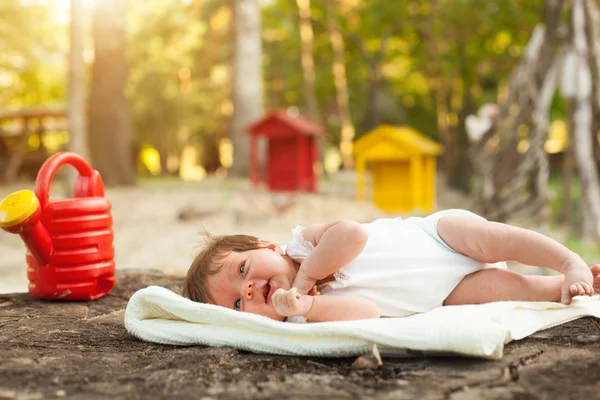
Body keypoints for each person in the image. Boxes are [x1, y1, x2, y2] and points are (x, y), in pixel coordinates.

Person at [182, 209, 600, 323]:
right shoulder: (303, 318)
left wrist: (307, 277)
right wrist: (307, 307)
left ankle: (569, 260)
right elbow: (366, 313)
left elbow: (353, 235)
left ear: (264, 245)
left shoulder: (302, 243)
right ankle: (562, 287)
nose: (250, 290)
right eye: (238, 305)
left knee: (490, 239)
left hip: (436, 236)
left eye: (241, 272)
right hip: (442, 294)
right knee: (502, 289)